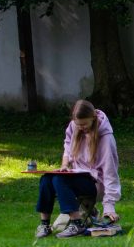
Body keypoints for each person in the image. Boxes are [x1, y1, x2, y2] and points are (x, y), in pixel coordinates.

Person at [35, 99, 122, 239]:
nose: (81, 128)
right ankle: (44, 224)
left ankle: (77, 223)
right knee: (47, 178)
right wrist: (64, 166)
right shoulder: (73, 126)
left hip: (96, 183)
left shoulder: (106, 138)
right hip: (78, 176)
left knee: (59, 180)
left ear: (93, 118)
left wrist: (109, 206)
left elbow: (110, 172)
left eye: (84, 124)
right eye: (78, 124)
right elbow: (67, 147)